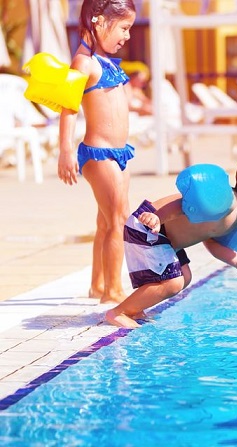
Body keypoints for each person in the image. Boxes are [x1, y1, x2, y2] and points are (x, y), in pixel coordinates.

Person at [105, 144, 237, 328]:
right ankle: (118, 312)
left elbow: (210, 239)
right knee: (173, 283)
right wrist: (157, 218)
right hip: (149, 225)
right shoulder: (225, 202)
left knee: (185, 277)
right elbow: (182, 205)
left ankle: (135, 308)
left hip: (166, 237)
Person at [58, 0, 136, 303]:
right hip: (99, 153)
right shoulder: (83, 62)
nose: (128, 36)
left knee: (107, 221)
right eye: (124, 28)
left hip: (119, 153)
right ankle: (113, 292)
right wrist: (65, 150)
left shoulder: (104, 61)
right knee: (119, 219)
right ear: (99, 20)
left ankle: (98, 284)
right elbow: (68, 107)